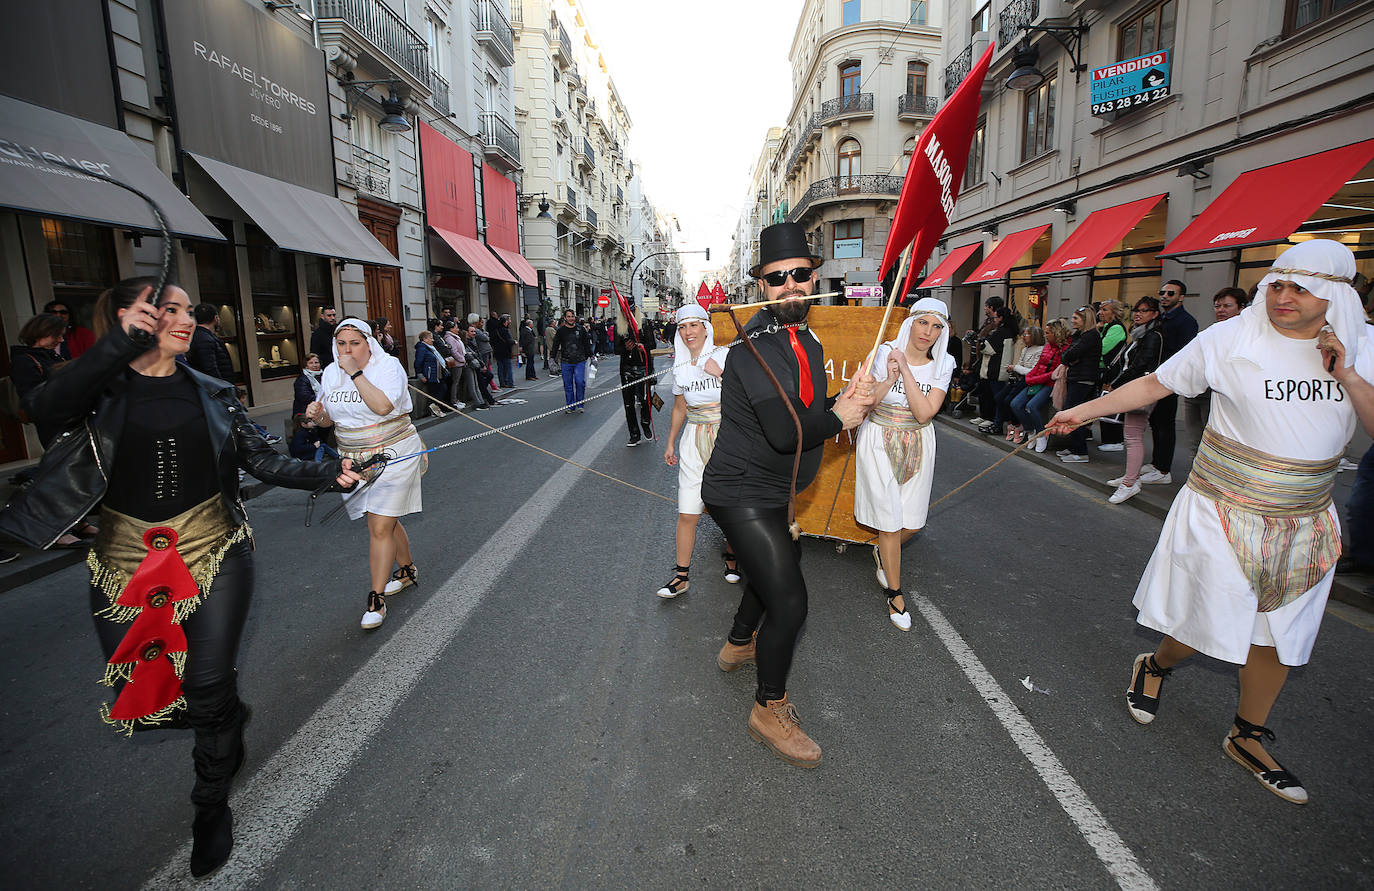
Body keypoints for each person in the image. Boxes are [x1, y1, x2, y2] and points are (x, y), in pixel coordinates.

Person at [0, 276, 361, 877]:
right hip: (123, 561)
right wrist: (114, 347)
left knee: (208, 683)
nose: (186, 319)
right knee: (148, 697)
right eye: (167, 310)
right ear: (128, 317)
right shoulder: (94, 391)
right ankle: (222, 719)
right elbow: (40, 406)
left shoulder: (214, 392)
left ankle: (210, 805)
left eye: (188, 310)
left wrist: (330, 473)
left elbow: (262, 458)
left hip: (217, 551)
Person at [1046, 239, 1372, 805]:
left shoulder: (1361, 350)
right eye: (1276, 284)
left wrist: (1346, 372)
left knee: (1279, 636)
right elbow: (1156, 384)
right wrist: (1082, 411)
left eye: (1300, 288)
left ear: (1335, 296)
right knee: (1207, 622)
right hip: (1223, 506)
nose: (1283, 296)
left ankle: (1247, 734)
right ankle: (1155, 663)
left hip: (1306, 520)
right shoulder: (1230, 338)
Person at [703, 222, 872, 768]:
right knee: (792, 599)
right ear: (761, 287)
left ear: (815, 277)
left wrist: (849, 396)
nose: (791, 286)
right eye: (777, 279)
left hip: (773, 486)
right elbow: (784, 430)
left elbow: (809, 406)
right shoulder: (752, 349)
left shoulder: (808, 337)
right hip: (740, 490)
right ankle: (767, 708)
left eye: (800, 275)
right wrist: (841, 415)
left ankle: (738, 641)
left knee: (779, 563)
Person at [305, 319, 426, 630]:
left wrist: (355, 373)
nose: (347, 350)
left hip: (395, 450)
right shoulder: (330, 373)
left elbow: (383, 406)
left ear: (368, 343)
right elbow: (331, 419)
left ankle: (376, 597)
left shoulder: (388, 367)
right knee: (385, 518)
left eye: (354, 343)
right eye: (342, 344)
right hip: (352, 457)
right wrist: (319, 417)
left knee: (379, 522)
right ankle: (408, 569)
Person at [855, 298, 954, 631]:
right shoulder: (882, 353)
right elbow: (866, 401)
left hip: (919, 440)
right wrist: (888, 377)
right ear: (910, 322)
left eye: (937, 326)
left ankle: (884, 552)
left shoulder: (945, 363)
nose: (928, 332)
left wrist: (906, 371)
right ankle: (895, 594)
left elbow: (925, 412)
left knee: (912, 520)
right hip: (878, 437)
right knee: (889, 520)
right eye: (923, 322)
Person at [657, 304, 736, 598]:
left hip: (726, 437)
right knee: (688, 510)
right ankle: (681, 577)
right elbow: (680, 406)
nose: (688, 333)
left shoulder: (725, 356)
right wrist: (670, 441)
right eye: (682, 327)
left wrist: (721, 375)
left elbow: (748, 396)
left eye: (694, 325)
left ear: (706, 327)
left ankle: (733, 557)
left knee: (730, 505)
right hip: (693, 439)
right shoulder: (679, 366)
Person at [1102, 297, 1164, 504]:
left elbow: (1139, 366)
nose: (1138, 314)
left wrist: (1116, 384)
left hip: (1142, 389)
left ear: (1154, 314)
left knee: (1133, 436)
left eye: (1145, 311)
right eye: (1137, 310)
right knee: (1131, 435)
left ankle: (1129, 483)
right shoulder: (1141, 335)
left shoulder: (1152, 336)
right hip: (1135, 387)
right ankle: (1131, 476)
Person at [1141, 279, 1198, 484]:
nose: (1164, 296)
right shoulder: (1160, 319)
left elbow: (1184, 353)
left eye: (1170, 293)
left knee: (1165, 423)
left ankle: (1164, 470)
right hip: (1155, 377)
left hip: (1170, 379)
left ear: (1181, 297)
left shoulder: (1186, 321)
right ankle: (1157, 463)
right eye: (1162, 292)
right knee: (1155, 422)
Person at [1010, 320, 1065, 452]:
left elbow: (1054, 373)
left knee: (1031, 406)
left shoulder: (1062, 349)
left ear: (1055, 333)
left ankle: (1041, 435)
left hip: (1050, 384)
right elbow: (1038, 365)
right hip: (1036, 381)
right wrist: (1030, 378)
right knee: (1015, 404)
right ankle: (1030, 431)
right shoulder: (1047, 347)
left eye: (1048, 333)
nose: (1045, 335)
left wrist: (1033, 378)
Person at [1056, 307, 1102, 463]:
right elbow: (1067, 356)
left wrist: (1070, 358)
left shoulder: (1090, 337)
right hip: (1079, 378)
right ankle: (1074, 447)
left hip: (1083, 380)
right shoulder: (1081, 336)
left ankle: (1080, 451)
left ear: (1085, 320)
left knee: (1074, 415)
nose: (1072, 321)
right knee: (1074, 414)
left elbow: (1069, 355)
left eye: (1076, 318)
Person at [973, 304, 1018, 435]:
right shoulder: (1010, 331)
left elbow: (988, 348)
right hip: (1001, 368)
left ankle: (997, 422)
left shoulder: (1002, 332)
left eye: (997, 317)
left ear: (1001, 318)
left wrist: (980, 342)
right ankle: (997, 421)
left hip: (996, 369)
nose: (995, 319)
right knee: (998, 397)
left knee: (997, 397)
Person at [995, 325, 1043, 444]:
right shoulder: (1025, 349)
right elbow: (1021, 364)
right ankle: (1012, 423)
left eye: (1026, 334)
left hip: (1029, 381)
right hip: (1020, 379)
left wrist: (1016, 367)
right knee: (999, 398)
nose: (1023, 337)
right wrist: (1015, 369)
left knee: (1011, 401)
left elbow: (1031, 371)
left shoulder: (1040, 350)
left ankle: (1020, 425)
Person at [616, 311, 656, 446]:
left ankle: (645, 423)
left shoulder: (644, 323)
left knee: (645, 400)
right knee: (628, 404)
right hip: (627, 369)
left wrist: (643, 346)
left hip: (643, 367)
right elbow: (616, 349)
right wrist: (625, 348)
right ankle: (634, 434)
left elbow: (652, 344)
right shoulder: (620, 326)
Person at [1095, 300, 1129, 452]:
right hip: (1106, 371)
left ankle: (1115, 440)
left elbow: (1101, 348)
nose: (1100, 312)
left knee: (1110, 404)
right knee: (1104, 403)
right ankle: (1109, 439)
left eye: (1105, 310)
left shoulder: (1116, 328)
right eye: (1100, 309)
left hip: (1112, 372)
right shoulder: (1106, 327)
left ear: (1114, 312)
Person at [550, 308, 594, 413]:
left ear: (575, 317)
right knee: (568, 385)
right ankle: (571, 406)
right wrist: (552, 358)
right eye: (568, 316)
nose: (571, 318)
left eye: (572, 316)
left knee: (580, 382)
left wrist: (592, 356)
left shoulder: (581, 329)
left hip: (580, 361)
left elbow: (586, 344)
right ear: (565, 318)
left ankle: (580, 404)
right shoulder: (560, 331)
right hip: (566, 362)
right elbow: (555, 345)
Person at [186, 304, 235, 383]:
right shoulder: (205, 339)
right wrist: (224, 390)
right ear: (215, 318)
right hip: (216, 389)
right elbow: (210, 369)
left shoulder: (197, 336)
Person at [414, 330, 447, 417]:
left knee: (441, 389)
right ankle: (433, 408)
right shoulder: (422, 349)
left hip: (437, 374)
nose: (432, 340)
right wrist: (420, 374)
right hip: (430, 374)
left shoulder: (430, 348)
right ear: (424, 339)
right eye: (430, 338)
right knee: (434, 392)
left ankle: (434, 408)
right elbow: (418, 362)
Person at [491, 314, 516, 389]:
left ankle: (502, 382)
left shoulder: (496, 330)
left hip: (498, 351)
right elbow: (509, 341)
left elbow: (492, 341)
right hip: (506, 351)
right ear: (505, 322)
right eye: (509, 320)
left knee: (500, 368)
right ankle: (509, 382)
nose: (510, 321)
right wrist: (514, 342)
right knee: (508, 368)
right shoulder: (506, 330)